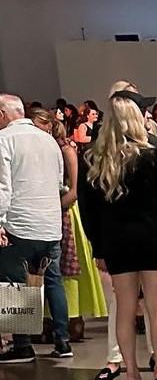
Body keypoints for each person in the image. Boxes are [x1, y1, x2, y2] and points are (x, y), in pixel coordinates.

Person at [77, 89, 157, 380]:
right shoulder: (150, 153)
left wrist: (98, 247)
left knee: (124, 308)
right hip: (153, 237)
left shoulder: (94, 159)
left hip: (116, 241)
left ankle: (132, 375)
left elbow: (89, 212)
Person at [0, 95, 72, 363]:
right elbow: (57, 182)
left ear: (2, 114)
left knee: (16, 283)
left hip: (19, 222)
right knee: (53, 281)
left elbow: (3, 186)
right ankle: (63, 341)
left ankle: (23, 345)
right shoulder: (49, 140)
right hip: (50, 223)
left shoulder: (4, 140)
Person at [27, 108, 106, 344]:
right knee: (43, 273)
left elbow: (74, 192)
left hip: (64, 215)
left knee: (66, 271)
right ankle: (42, 327)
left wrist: (52, 207)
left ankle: (69, 325)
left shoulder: (66, 150)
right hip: (42, 216)